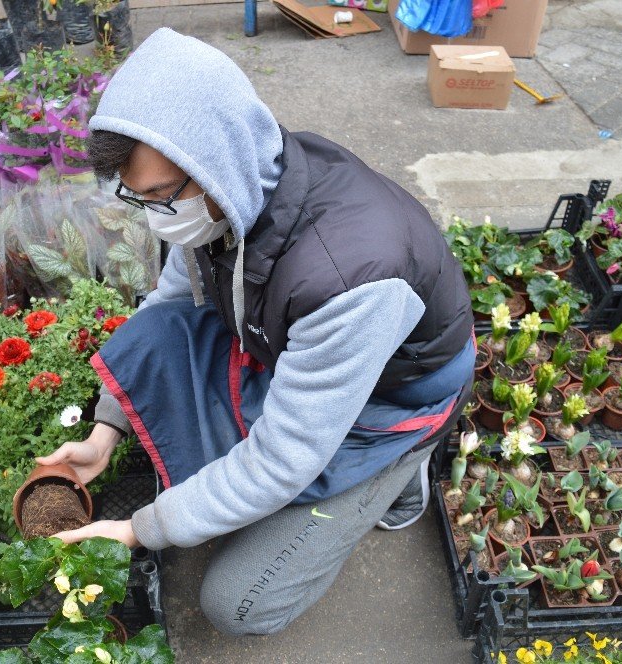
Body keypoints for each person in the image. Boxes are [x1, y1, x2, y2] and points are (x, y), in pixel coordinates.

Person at [37, 28, 474, 636]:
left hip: (390, 397)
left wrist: (142, 528)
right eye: (143, 201)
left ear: (219, 160)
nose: (162, 218)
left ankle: (401, 468)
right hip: (292, 347)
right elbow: (169, 305)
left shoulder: (350, 277)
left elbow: (282, 461)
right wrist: (105, 432)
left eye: (165, 197)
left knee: (239, 602)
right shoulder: (239, 187)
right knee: (164, 337)